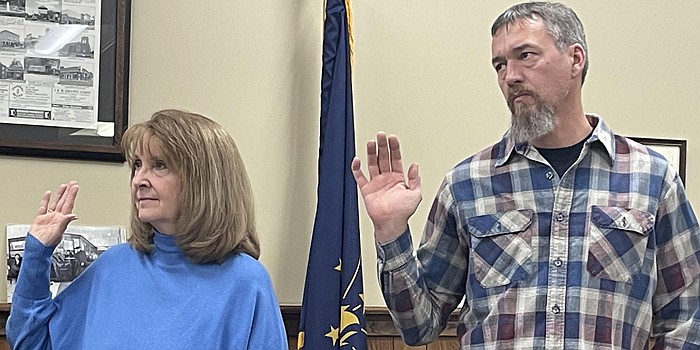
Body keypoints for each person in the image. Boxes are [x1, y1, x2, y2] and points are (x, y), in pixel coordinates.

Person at [351, 2, 700, 349]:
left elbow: (687, 316)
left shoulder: (652, 179)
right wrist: (390, 230)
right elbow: (420, 326)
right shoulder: (467, 184)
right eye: (500, 64)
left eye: (526, 56)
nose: (510, 76)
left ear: (575, 59)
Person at [7, 109, 288, 349]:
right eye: (137, 165)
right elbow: (32, 342)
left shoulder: (246, 283)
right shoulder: (113, 266)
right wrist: (37, 253)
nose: (139, 179)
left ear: (203, 181)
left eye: (159, 166)